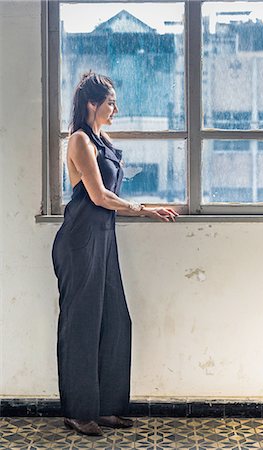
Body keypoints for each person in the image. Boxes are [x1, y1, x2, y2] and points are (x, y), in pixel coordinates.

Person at [51, 70, 179, 437]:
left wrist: (143, 207)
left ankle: (105, 407)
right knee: (81, 325)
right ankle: (78, 411)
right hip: (80, 238)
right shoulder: (79, 140)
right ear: (92, 103)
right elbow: (98, 196)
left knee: (115, 320)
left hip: (103, 236)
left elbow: (109, 192)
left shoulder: (101, 138)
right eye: (110, 102)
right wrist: (144, 208)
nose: (116, 108)